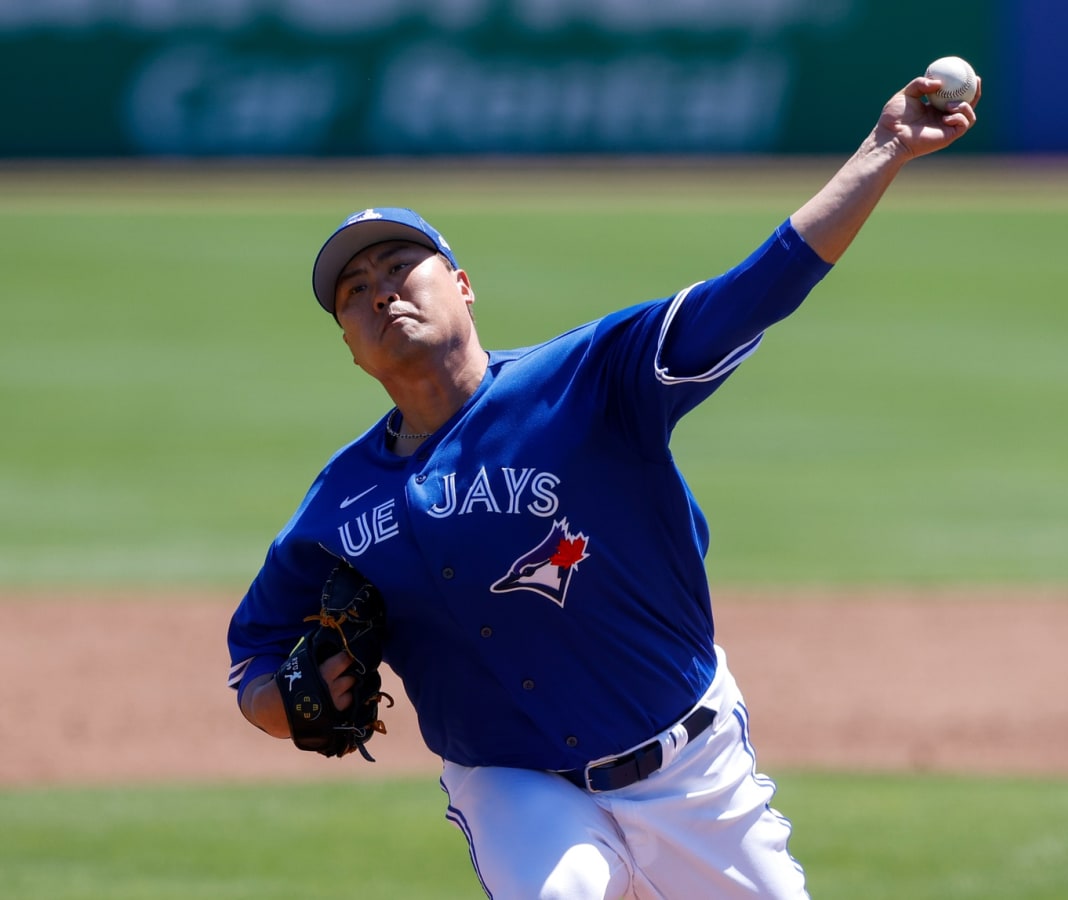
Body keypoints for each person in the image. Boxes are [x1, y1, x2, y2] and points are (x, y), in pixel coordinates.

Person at [227, 70, 980, 899]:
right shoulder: (338, 503)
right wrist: (288, 703)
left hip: (690, 769)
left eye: (401, 266)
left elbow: (755, 292)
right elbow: (256, 661)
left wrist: (885, 150)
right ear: (350, 346)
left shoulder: (588, 377)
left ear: (464, 285)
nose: (380, 293)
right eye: (354, 294)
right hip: (514, 781)